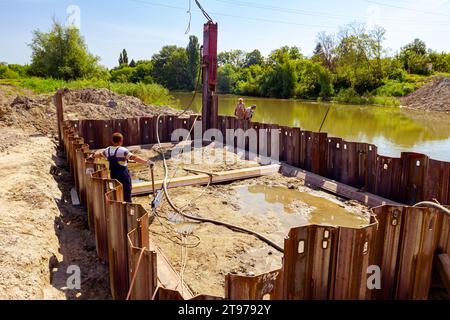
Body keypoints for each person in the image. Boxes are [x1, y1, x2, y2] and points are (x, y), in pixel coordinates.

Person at [91, 133, 153, 203]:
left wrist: (92, 156)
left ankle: (118, 205)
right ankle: (128, 205)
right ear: (121, 141)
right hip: (123, 175)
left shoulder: (107, 150)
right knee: (127, 192)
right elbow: (134, 158)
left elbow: (99, 155)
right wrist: (146, 162)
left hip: (113, 175)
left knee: (117, 191)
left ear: (112, 141)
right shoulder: (123, 150)